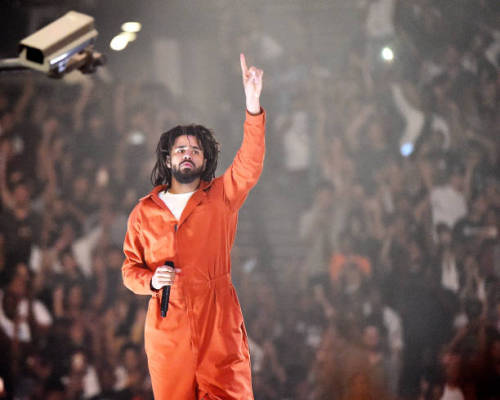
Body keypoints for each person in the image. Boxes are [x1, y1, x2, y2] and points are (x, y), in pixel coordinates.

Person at [121, 53, 265, 400]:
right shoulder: (144, 211)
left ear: (205, 160)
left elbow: (249, 164)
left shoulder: (220, 197)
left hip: (218, 323)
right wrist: (151, 281)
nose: (188, 154)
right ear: (168, 159)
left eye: (196, 150)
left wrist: (252, 104)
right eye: (180, 149)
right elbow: (129, 269)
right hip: (168, 330)